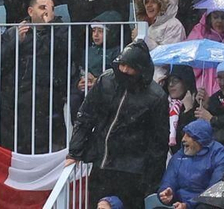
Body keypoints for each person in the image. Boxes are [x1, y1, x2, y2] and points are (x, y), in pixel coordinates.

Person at [67, 39, 169, 208]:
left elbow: (158, 143)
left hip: (133, 171)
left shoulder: (156, 96)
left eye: (130, 67)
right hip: (102, 162)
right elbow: (86, 116)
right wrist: (74, 152)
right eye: (122, 65)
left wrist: (152, 184)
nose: (124, 70)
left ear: (140, 69)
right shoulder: (106, 80)